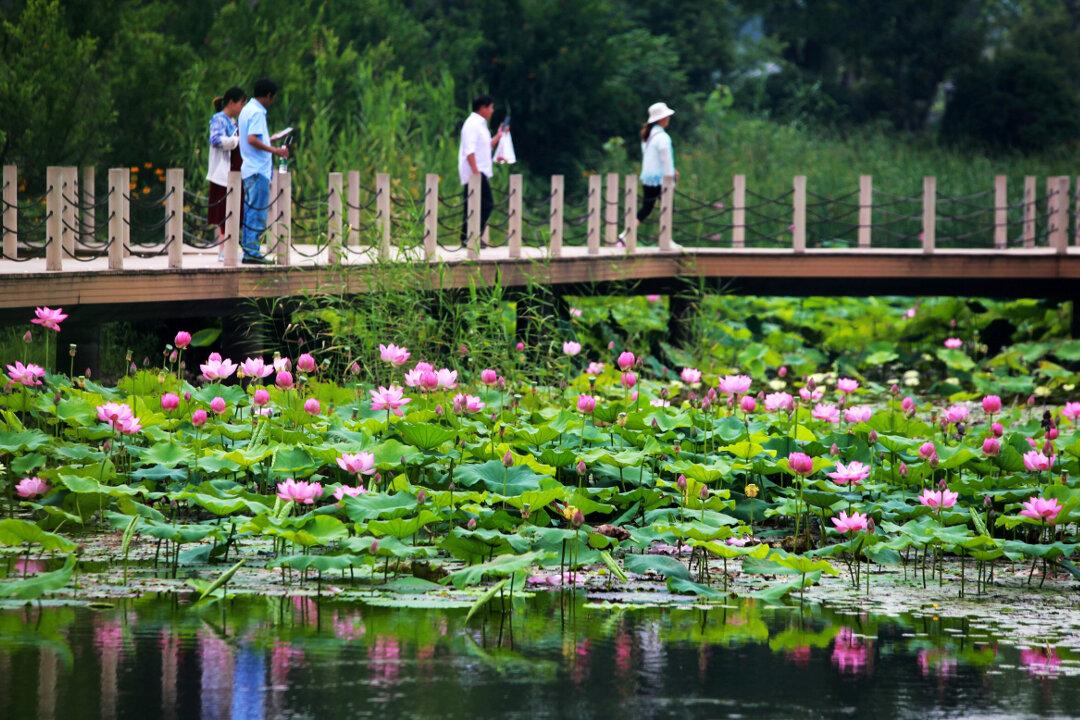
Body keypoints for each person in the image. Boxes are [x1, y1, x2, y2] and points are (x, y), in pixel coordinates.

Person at [238, 78, 288, 264]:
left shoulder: (246, 110)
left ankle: (249, 250)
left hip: (249, 168)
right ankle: (252, 252)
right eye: (272, 98)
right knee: (257, 212)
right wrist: (275, 150)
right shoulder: (258, 112)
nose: (272, 101)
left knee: (250, 210)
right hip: (257, 170)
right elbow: (252, 139)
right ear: (268, 95)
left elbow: (251, 138)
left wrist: (268, 140)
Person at [621, 102, 678, 244]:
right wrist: (670, 177)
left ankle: (625, 235)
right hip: (661, 179)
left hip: (648, 178)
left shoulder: (647, 136)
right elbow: (666, 159)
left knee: (646, 208)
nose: (668, 119)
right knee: (668, 208)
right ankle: (666, 239)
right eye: (667, 116)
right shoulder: (662, 137)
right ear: (662, 119)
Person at [458, 95, 505, 247]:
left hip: (479, 171)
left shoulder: (480, 125)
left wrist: (498, 137)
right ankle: (470, 237)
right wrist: (475, 171)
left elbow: (484, 146)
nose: (492, 111)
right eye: (491, 107)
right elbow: (469, 150)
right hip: (475, 172)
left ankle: (470, 237)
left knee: (475, 205)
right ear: (483, 108)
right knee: (485, 204)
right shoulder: (472, 124)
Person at [206, 86, 246, 259]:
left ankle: (231, 248)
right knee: (223, 213)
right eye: (241, 103)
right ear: (231, 102)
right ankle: (223, 250)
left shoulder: (233, 121)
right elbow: (215, 140)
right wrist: (237, 140)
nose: (242, 108)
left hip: (235, 173)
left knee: (234, 212)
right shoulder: (218, 119)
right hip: (222, 174)